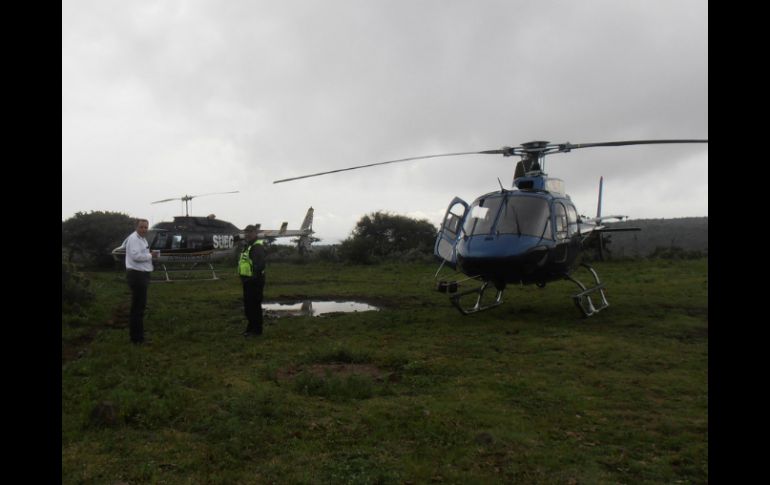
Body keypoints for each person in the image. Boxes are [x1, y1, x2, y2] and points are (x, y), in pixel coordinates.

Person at [124, 218, 159, 344]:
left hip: (142, 274)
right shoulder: (134, 239)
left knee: (140, 306)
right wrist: (151, 255)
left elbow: (141, 254)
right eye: (141, 227)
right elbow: (136, 257)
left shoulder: (141, 239)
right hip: (137, 275)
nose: (144, 229)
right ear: (136, 227)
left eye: (146, 227)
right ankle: (137, 339)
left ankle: (138, 335)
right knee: (138, 307)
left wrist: (150, 254)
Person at [238, 224, 266, 337]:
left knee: (254, 306)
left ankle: (256, 331)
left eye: (250, 232)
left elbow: (259, 265)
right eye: (246, 232)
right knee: (249, 307)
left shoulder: (256, 246)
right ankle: (250, 328)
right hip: (247, 281)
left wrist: (252, 278)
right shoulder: (248, 245)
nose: (247, 234)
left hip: (254, 281)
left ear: (255, 233)